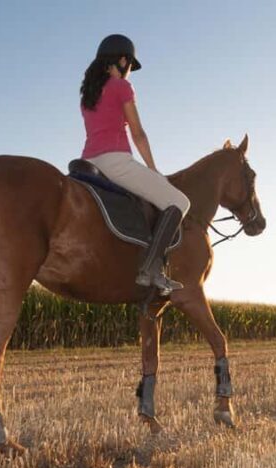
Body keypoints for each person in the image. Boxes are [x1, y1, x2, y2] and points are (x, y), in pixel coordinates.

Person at [80, 34, 191, 295]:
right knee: (180, 202)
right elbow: (138, 134)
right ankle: (151, 268)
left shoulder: (87, 94)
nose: (129, 72)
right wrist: (154, 170)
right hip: (116, 161)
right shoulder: (122, 87)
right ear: (122, 60)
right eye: (130, 66)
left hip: (87, 162)